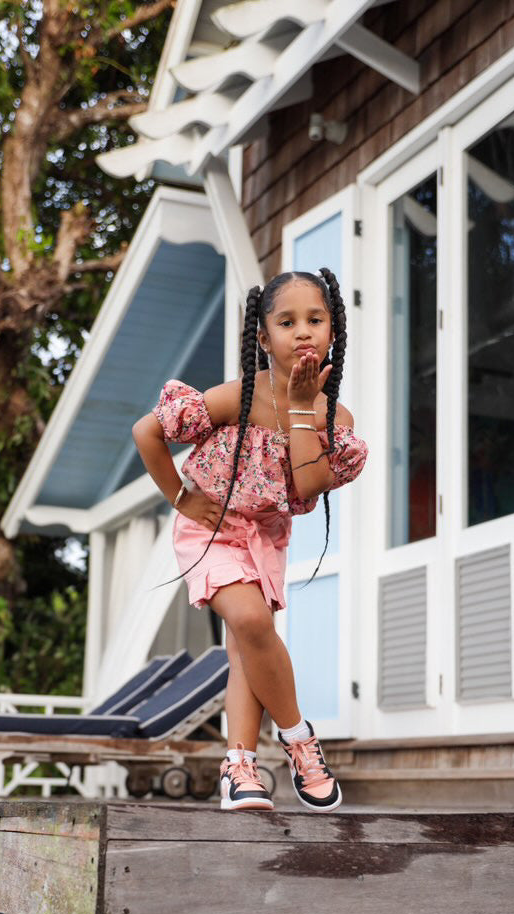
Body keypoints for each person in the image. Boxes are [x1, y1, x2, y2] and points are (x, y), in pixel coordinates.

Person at [132, 268, 368, 813]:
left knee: (246, 649)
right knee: (252, 621)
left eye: (316, 319)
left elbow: (309, 483)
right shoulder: (238, 396)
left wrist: (307, 409)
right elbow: (148, 432)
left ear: (334, 330)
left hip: (265, 536)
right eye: (287, 322)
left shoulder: (337, 419)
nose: (303, 332)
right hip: (209, 527)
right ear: (264, 339)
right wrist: (180, 496)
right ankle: (300, 740)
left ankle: (240, 769)